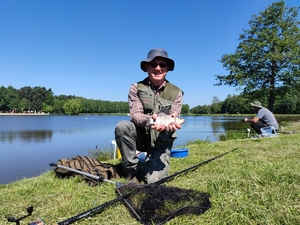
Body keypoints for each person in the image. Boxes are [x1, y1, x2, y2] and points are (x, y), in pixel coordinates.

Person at [114, 48, 183, 184]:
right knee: (122, 126)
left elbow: (174, 114)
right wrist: (151, 120)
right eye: (153, 64)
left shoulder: (177, 92)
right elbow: (135, 115)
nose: (158, 68)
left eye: (162, 65)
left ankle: (149, 165)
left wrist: (171, 125)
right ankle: (131, 171)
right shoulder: (136, 87)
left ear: (167, 68)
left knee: (153, 182)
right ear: (146, 67)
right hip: (140, 136)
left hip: (160, 141)